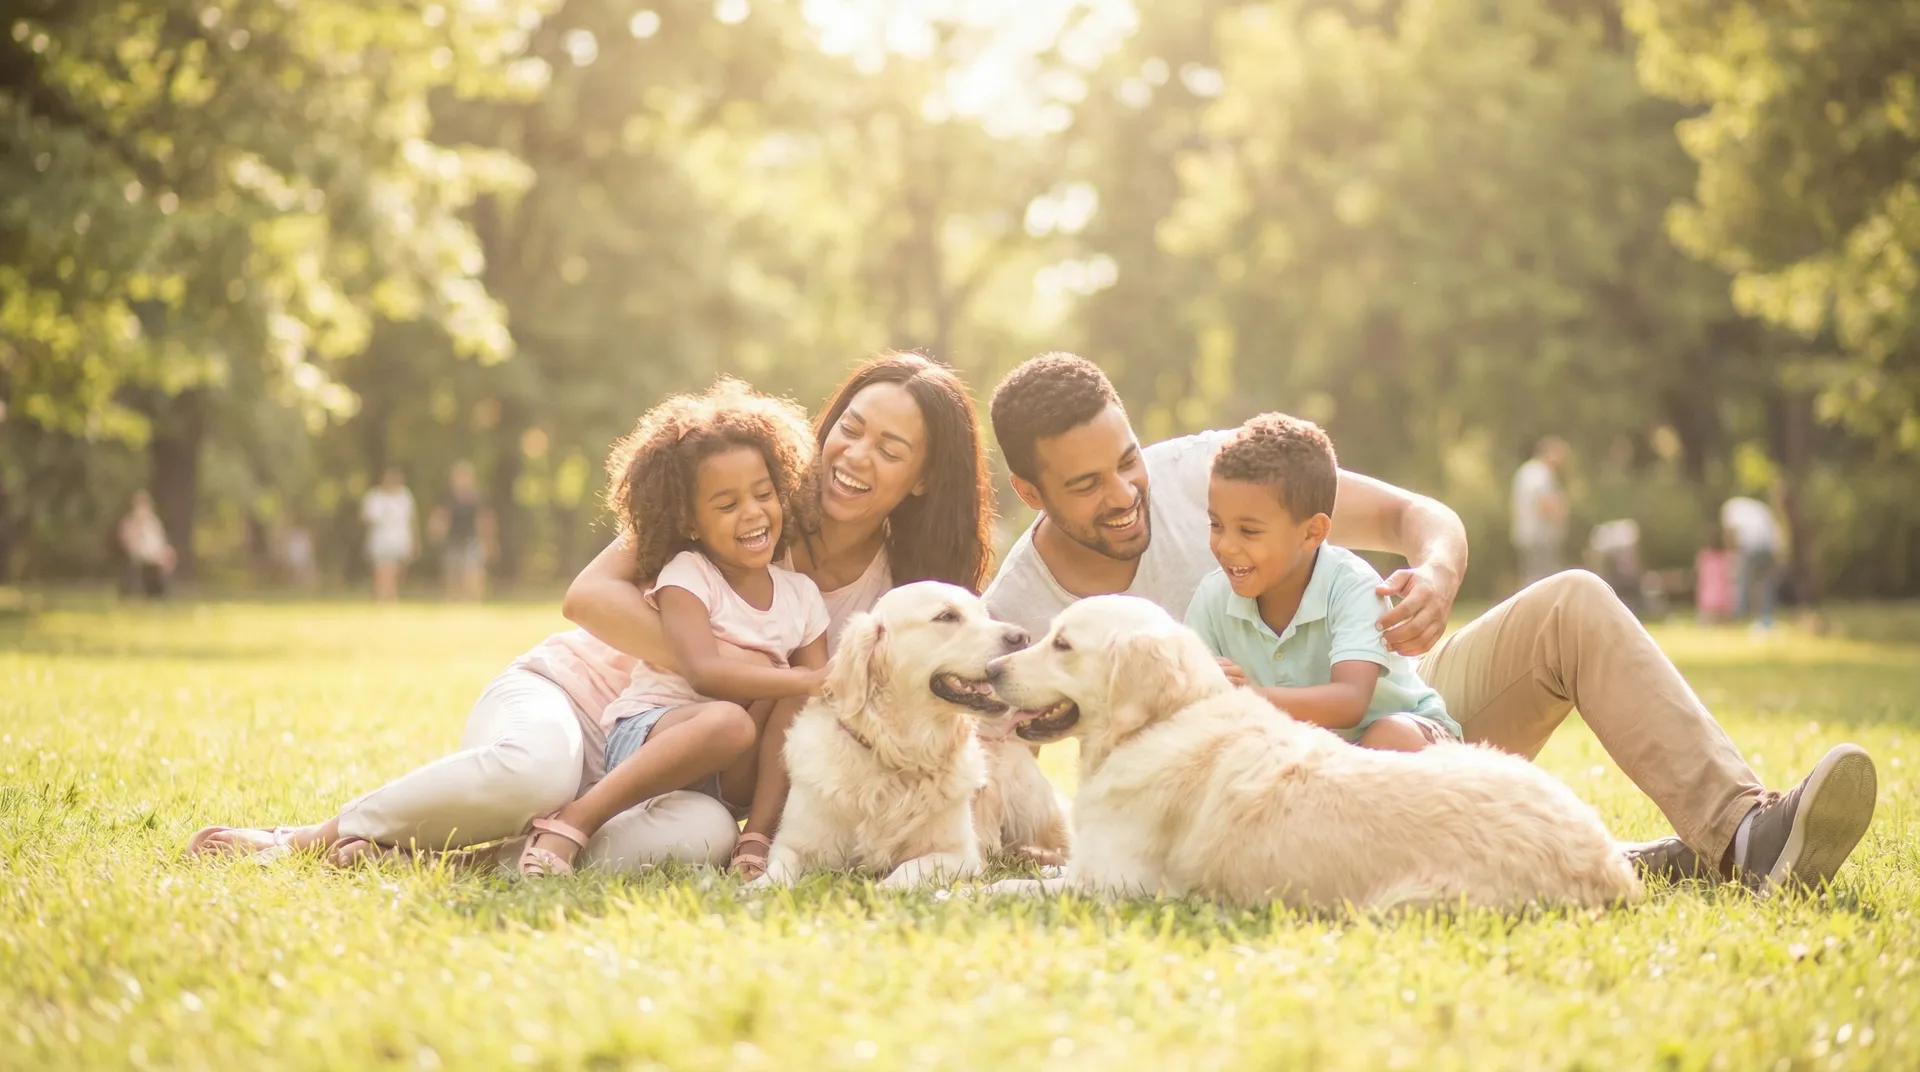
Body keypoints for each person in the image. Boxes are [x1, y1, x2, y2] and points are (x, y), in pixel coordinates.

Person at [982, 353, 1876, 891]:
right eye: (1086, 484)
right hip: (1275, 806)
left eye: (1127, 460)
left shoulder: (1213, 470)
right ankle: (1591, 862)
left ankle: (1745, 832)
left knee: (1570, 599)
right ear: (1031, 494)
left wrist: (1438, 574)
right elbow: (973, 758)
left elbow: (1419, 515)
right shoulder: (1020, 617)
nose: (1126, 493)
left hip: (1387, 720)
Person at [518, 381, 829, 880]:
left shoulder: (802, 597)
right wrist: (804, 680)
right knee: (734, 718)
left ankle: (758, 836)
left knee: (795, 706)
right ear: (690, 522)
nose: (751, 513)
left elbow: (817, 696)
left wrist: (814, 685)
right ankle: (575, 820)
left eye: (763, 494)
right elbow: (704, 672)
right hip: (653, 735)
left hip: (730, 777)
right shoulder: (687, 574)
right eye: (726, 506)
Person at [1186, 413, 1461, 752]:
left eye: (1249, 531)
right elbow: (1192, 700)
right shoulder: (1212, 598)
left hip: (1409, 738)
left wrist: (1246, 698)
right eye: (1216, 525)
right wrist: (1203, 683)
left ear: (1312, 532)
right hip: (1307, 761)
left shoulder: (1354, 586)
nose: (1225, 546)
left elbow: (1350, 701)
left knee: (1390, 738)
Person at [1511, 437, 1571, 588]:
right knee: (1540, 579)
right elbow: (1544, 501)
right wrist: (1560, 515)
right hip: (1539, 536)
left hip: (1527, 533)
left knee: (1532, 576)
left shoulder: (1526, 471)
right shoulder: (1540, 472)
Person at [430, 461, 494, 602]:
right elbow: (440, 516)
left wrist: (489, 541)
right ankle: (454, 602)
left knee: (473, 573)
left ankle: (473, 600)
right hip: (452, 541)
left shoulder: (478, 497)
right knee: (452, 574)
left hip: (472, 540)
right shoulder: (447, 497)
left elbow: (484, 519)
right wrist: (436, 532)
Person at [1721, 494, 1782, 630]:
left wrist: (1732, 554)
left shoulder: (1730, 507)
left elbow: (1730, 534)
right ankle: (1765, 618)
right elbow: (1775, 531)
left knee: (1743, 582)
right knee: (1766, 584)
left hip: (1751, 547)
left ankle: (1739, 616)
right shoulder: (1761, 508)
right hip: (1769, 547)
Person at [361, 468, 417, 603]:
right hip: (380, 539)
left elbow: (411, 519)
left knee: (395, 569)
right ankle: (380, 595)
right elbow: (366, 518)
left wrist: (414, 540)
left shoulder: (405, 496)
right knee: (381, 568)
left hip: (399, 539)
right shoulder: (374, 497)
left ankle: (391, 595)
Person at [117, 491, 175, 599]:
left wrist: (162, 552)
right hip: (140, 555)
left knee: (167, 555)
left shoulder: (153, 522)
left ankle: (159, 589)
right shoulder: (130, 522)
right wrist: (138, 524)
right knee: (152, 561)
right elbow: (127, 542)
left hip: (155, 554)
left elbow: (160, 539)